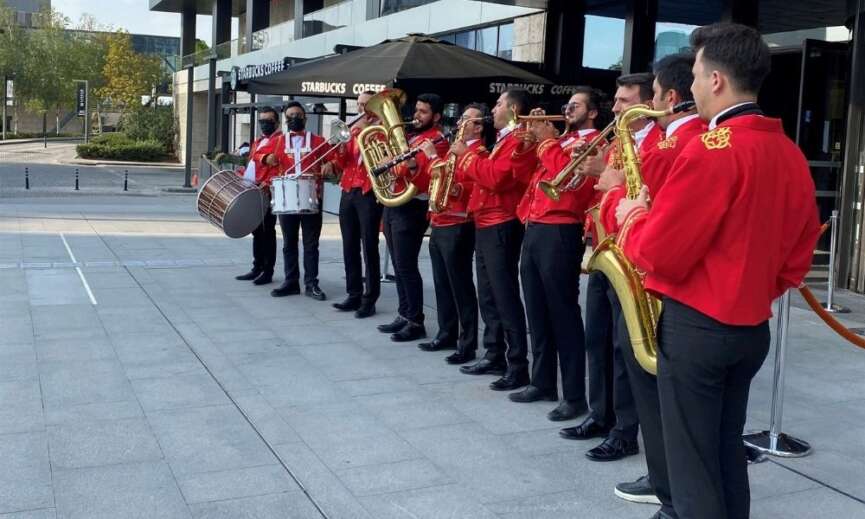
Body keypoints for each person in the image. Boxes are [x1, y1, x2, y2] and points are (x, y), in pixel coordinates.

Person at [615, 23, 820, 519]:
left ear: (716, 81)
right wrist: (754, 288)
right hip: (750, 325)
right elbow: (801, 251)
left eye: (699, 75)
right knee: (725, 450)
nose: (693, 88)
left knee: (692, 464)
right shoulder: (789, 151)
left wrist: (633, 218)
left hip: (698, 327)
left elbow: (662, 253)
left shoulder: (713, 150)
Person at [593, 52, 705, 515]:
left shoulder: (678, 144)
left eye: (649, 97)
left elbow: (636, 207)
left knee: (655, 390)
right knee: (650, 385)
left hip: (655, 274)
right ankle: (667, 484)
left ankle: (669, 489)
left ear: (669, 97)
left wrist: (617, 190)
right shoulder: (673, 141)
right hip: (648, 270)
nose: (624, 110)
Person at [562, 72, 663, 462]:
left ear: (646, 105)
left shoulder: (659, 144)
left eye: (624, 101)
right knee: (597, 338)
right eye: (617, 100)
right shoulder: (621, 141)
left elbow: (646, 199)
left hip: (633, 256)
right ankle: (599, 414)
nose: (616, 108)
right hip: (606, 247)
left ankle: (624, 430)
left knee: (624, 349)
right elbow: (605, 190)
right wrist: (596, 176)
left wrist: (613, 183)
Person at [508, 88, 601, 422]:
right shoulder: (559, 141)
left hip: (561, 230)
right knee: (536, 309)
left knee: (563, 313)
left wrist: (546, 142)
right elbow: (519, 175)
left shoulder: (594, 143)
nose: (567, 110)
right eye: (567, 105)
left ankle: (574, 396)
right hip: (534, 227)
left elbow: (569, 184)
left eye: (575, 106)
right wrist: (525, 144)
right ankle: (542, 381)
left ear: (591, 113)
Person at [451, 88, 538, 391]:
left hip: (501, 222)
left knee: (504, 294)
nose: (494, 109)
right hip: (486, 221)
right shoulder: (504, 140)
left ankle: (517, 363)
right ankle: (494, 352)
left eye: (499, 104)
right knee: (488, 294)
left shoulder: (520, 140)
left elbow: (497, 178)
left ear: (513, 109)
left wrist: (467, 157)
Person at [416, 103, 492, 364]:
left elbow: (475, 184)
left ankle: (467, 342)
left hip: (458, 222)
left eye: (467, 120)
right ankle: (446, 332)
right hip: (440, 219)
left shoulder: (480, 152)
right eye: (461, 119)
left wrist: (431, 157)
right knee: (442, 283)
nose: (460, 123)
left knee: (460, 286)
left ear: (479, 126)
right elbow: (437, 178)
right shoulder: (454, 150)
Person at [376, 93, 450, 342]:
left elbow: (419, 174)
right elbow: (401, 166)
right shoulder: (411, 137)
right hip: (395, 204)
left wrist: (392, 165)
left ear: (436, 116)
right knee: (398, 264)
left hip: (412, 207)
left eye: (423, 112)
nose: (416, 115)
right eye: (416, 110)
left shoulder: (437, 140)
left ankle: (416, 320)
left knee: (406, 266)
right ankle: (404, 313)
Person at [268, 101, 331, 300]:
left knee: (311, 244)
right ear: (285, 119)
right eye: (290, 115)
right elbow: (258, 155)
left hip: (312, 197)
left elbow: (334, 157)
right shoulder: (278, 141)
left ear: (305, 117)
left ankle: (312, 283)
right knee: (289, 242)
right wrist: (266, 158)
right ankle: (291, 281)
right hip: (286, 199)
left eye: (297, 115)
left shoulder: (319, 140)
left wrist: (330, 164)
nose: (294, 118)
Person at [332, 91, 382, 318]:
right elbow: (342, 163)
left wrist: (364, 134)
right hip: (348, 189)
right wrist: (340, 146)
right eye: (359, 104)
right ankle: (353, 293)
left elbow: (380, 159)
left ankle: (369, 299)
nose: (360, 109)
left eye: (365, 104)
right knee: (349, 244)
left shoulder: (382, 130)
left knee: (369, 247)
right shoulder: (352, 129)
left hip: (368, 192)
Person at [234, 107, 281, 286]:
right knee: (256, 230)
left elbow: (278, 165)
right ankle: (257, 267)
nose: (265, 124)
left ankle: (267, 271)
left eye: (269, 121)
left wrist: (267, 183)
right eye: (262, 121)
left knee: (267, 231)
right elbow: (252, 164)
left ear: (276, 122)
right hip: (253, 190)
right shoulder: (257, 141)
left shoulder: (279, 141)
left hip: (267, 191)